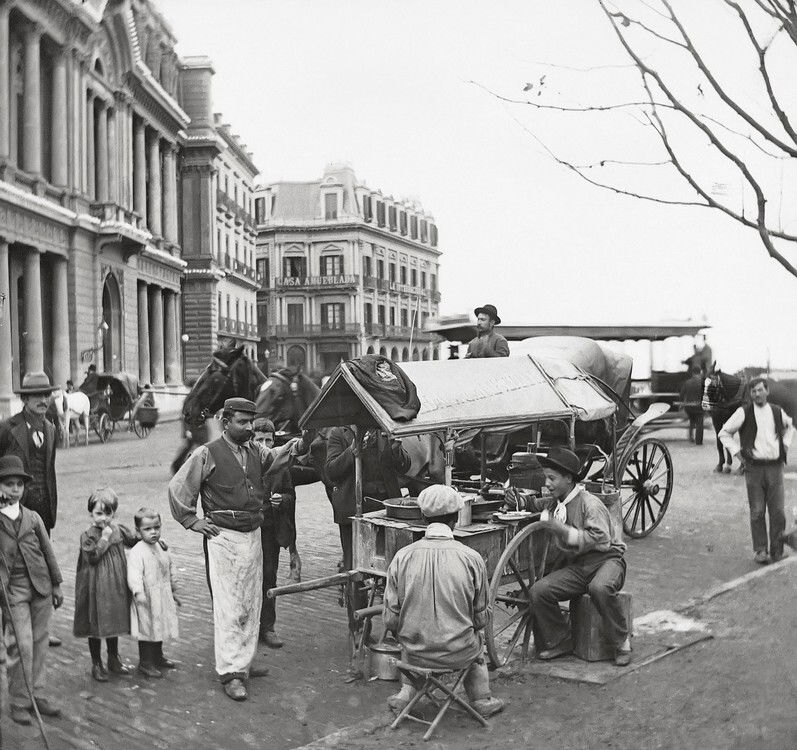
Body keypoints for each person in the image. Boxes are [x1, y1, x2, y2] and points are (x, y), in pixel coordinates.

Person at [168, 397, 305, 701]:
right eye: (242, 422)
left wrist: (298, 445)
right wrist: (191, 520)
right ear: (226, 421)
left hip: (252, 535)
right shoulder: (207, 453)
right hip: (224, 538)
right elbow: (179, 487)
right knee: (229, 606)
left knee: (250, 603)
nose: (247, 428)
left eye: (250, 423)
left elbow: (278, 457)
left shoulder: (255, 450)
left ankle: (244, 661)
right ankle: (230, 673)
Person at [382, 484, 505, 718]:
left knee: (408, 636)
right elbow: (480, 619)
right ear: (456, 518)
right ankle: (481, 699)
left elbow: (390, 620)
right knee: (475, 638)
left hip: (415, 654)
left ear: (422, 517)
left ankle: (406, 694)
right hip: (459, 653)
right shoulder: (471, 558)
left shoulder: (402, 557)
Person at [527, 447, 632, 666]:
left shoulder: (589, 504)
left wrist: (563, 531)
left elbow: (601, 540)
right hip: (579, 567)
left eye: (552, 478)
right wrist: (516, 500)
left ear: (568, 478)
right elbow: (534, 506)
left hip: (608, 561)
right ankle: (562, 639)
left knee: (599, 588)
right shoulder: (556, 503)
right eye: (546, 477)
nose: (547, 483)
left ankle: (622, 641)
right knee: (539, 591)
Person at [0, 371, 63, 647]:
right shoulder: (7, 428)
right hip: (12, 511)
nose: (43, 400)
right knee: (10, 570)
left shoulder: (50, 427)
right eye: (38, 395)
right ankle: (8, 632)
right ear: (25, 398)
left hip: (40, 513)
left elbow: (48, 470)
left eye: (47, 394)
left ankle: (40, 628)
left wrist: (49, 505)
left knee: (39, 568)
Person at [0, 455, 64, 725]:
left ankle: (36, 693)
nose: (15, 489)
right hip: (12, 590)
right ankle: (18, 700)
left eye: (19, 484)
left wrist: (57, 584)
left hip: (41, 586)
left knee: (39, 643)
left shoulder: (33, 517)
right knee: (20, 645)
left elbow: (48, 552)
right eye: (8, 484)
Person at [325, 426, 410, 611]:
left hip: (385, 509)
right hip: (354, 511)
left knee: (393, 565)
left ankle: (394, 620)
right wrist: (351, 452)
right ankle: (357, 624)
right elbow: (331, 471)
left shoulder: (385, 429)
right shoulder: (340, 433)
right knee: (354, 568)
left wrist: (396, 450)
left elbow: (405, 467)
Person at [718, 377, 794, 564]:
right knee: (757, 511)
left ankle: (777, 551)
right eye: (753, 391)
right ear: (750, 394)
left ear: (767, 391)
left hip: (775, 467)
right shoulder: (743, 412)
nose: (757, 394)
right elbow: (724, 432)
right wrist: (737, 454)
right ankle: (760, 551)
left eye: (760, 390)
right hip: (754, 469)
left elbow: (789, 427)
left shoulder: (777, 411)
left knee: (778, 512)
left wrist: (784, 446)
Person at [73, 487, 137, 682]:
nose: (103, 518)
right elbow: (92, 557)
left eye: (108, 513)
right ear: (91, 513)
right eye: (99, 513)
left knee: (113, 620)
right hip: (95, 587)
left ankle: (113, 659)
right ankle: (96, 663)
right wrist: (105, 538)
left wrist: (156, 539)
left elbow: (134, 540)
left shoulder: (117, 529)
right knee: (96, 623)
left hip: (114, 586)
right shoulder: (89, 534)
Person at [252, 416, 299, 648]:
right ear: (252, 439)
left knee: (269, 575)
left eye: (268, 440)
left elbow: (291, 494)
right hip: (249, 530)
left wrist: (284, 499)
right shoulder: (247, 461)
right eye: (259, 439)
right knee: (249, 578)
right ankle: (249, 627)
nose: (264, 444)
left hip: (270, 529)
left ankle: (268, 626)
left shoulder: (280, 464)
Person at [128, 508, 180, 678]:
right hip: (146, 598)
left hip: (162, 595)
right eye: (148, 529)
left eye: (156, 528)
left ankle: (158, 656)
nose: (153, 532)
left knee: (160, 626)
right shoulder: (137, 551)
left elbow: (169, 564)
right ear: (138, 531)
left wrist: (173, 586)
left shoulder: (162, 546)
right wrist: (138, 592)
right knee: (147, 630)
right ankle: (145, 662)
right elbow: (134, 574)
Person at [680, 366, 705, 445]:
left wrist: (682, 404)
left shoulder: (687, 382)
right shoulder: (702, 383)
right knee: (699, 424)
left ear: (692, 373)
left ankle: (691, 437)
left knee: (691, 421)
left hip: (689, 407)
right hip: (698, 407)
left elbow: (682, 394)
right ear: (700, 372)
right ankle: (699, 441)